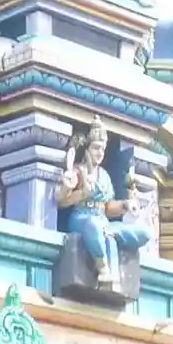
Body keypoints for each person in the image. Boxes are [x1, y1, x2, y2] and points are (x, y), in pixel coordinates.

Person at [55, 121, 150, 290]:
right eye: (96, 148)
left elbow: (107, 207)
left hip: (102, 219)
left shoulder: (104, 176)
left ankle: (109, 242)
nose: (100, 153)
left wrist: (125, 205)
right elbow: (62, 202)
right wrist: (79, 192)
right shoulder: (79, 171)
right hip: (82, 216)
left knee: (143, 233)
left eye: (103, 149)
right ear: (87, 149)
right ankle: (103, 269)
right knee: (94, 226)